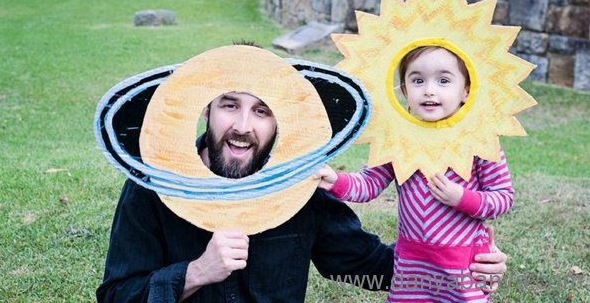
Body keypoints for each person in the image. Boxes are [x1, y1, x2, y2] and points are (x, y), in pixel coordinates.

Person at [97, 90, 509, 303]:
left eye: (262, 111)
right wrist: (197, 272)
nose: (243, 126)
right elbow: (117, 296)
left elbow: (363, 267)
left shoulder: (299, 187)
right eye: (229, 105)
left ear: (280, 123)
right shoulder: (154, 188)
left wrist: (456, 265)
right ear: (206, 110)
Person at [315, 46, 514, 302]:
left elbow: (503, 198)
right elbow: (370, 183)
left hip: (462, 265)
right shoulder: (398, 139)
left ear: (466, 90)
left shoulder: (480, 141)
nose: (429, 90)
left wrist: (462, 198)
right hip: (411, 262)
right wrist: (337, 182)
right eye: (418, 80)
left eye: (443, 80)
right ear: (405, 90)